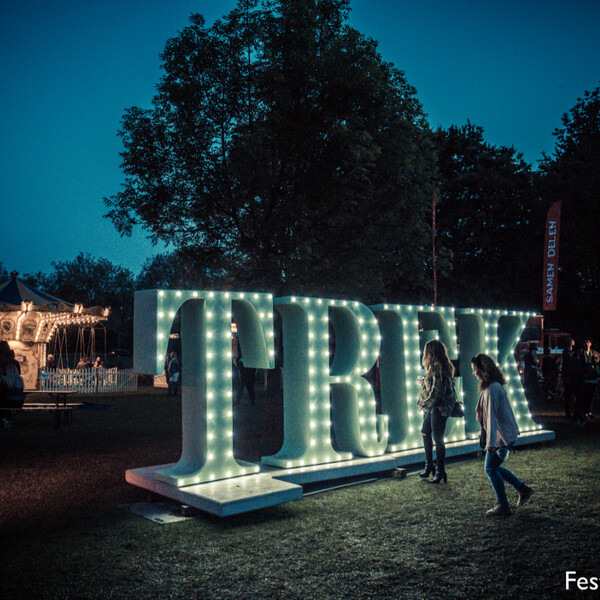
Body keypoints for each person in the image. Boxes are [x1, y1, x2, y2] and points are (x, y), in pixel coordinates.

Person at [472, 354, 534, 516]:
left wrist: (491, 443)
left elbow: (492, 417)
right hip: (503, 435)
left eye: (475, 369)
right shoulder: (492, 386)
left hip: (501, 437)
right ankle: (522, 489)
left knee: (490, 468)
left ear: (482, 369)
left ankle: (503, 504)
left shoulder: (492, 388)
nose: (474, 373)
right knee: (493, 467)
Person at [417, 339, 456, 484]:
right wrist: (425, 381)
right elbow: (437, 384)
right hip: (437, 405)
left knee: (437, 438)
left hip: (438, 406)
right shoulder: (442, 365)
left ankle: (439, 470)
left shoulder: (436, 366)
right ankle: (431, 466)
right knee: (426, 432)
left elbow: (436, 391)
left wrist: (425, 403)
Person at [1, 363, 25, 429]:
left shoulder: (6, 380)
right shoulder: (20, 379)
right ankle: (9, 418)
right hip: (20, 400)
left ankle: (6, 419)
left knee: (4, 404)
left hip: (10, 400)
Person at [561, 338, 578, 418]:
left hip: (569, 376)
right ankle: (568, 412)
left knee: (569, 395)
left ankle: (569, 411)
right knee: (568, 395)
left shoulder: (568, 353)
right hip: (569, 377)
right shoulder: (567, 353)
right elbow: (567, 366)